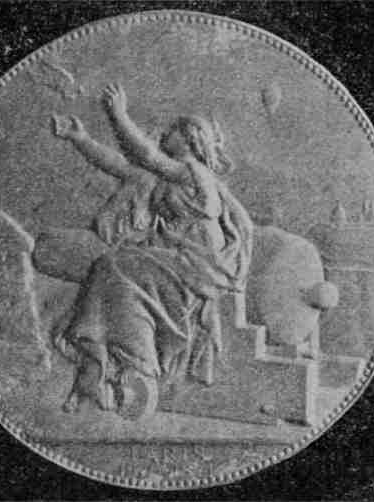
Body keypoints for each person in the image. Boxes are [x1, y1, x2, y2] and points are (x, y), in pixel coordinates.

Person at [52, 83, 253, 415]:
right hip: (177, 257)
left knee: (113, 267)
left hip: (197, 263)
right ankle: (100, 366)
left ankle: (137, 364)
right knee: (110, 267)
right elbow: (121, 166)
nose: (164, 134)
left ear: (188, 140)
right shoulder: (170, 175)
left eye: (172, 131)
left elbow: (145, 154)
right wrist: (81, 139)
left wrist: (118, 115)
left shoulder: (193, 171)